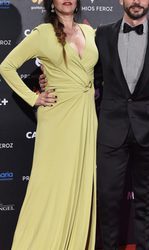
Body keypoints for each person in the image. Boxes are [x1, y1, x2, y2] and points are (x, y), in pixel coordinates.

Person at [0, 0, 98, 249]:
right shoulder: (43, 34)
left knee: (80, 179)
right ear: (51, 3)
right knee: (50, 183)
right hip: (57, 118)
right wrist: (34, 97)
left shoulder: (89, 32)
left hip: (86, 114)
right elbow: (7, 67)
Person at [94, 0, 149, 249]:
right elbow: (91, 79)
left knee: (146, 202)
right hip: (111, 130)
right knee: (108, 201)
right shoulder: (102, 34)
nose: (137, 1)